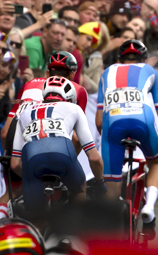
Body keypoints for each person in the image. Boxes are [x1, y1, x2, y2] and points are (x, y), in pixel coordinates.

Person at [0, 50, 88, 221]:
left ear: (47, 72)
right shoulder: (77, 90)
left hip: (19, 140)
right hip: (52, 146)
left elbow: (5, 132)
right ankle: (72, 233)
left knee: (12, 192)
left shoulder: (29, 84)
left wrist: (10, 156)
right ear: (73, 73)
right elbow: (77, 138)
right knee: (77, 188)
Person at [96, 40, 158, 236]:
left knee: (113, 190)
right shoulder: (151, 71)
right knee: (155, 163)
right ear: (145, 59)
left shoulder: (106, 74)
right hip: (143, 123)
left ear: (118, 59)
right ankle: (149, 207)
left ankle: (108, 236)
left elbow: (99, 122)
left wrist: (114, 146)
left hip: (113, 127)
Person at [10, 76, 105, 216]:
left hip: (33, 162)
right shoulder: (74, 108)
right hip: (63, 156)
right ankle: (72, 231)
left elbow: (15, 164)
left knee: (36, 218)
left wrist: (33, 178)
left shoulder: (24, 112)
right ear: (69, 97)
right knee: (79, 189)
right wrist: (100, 182)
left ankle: (38, 231)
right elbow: (94, 157)